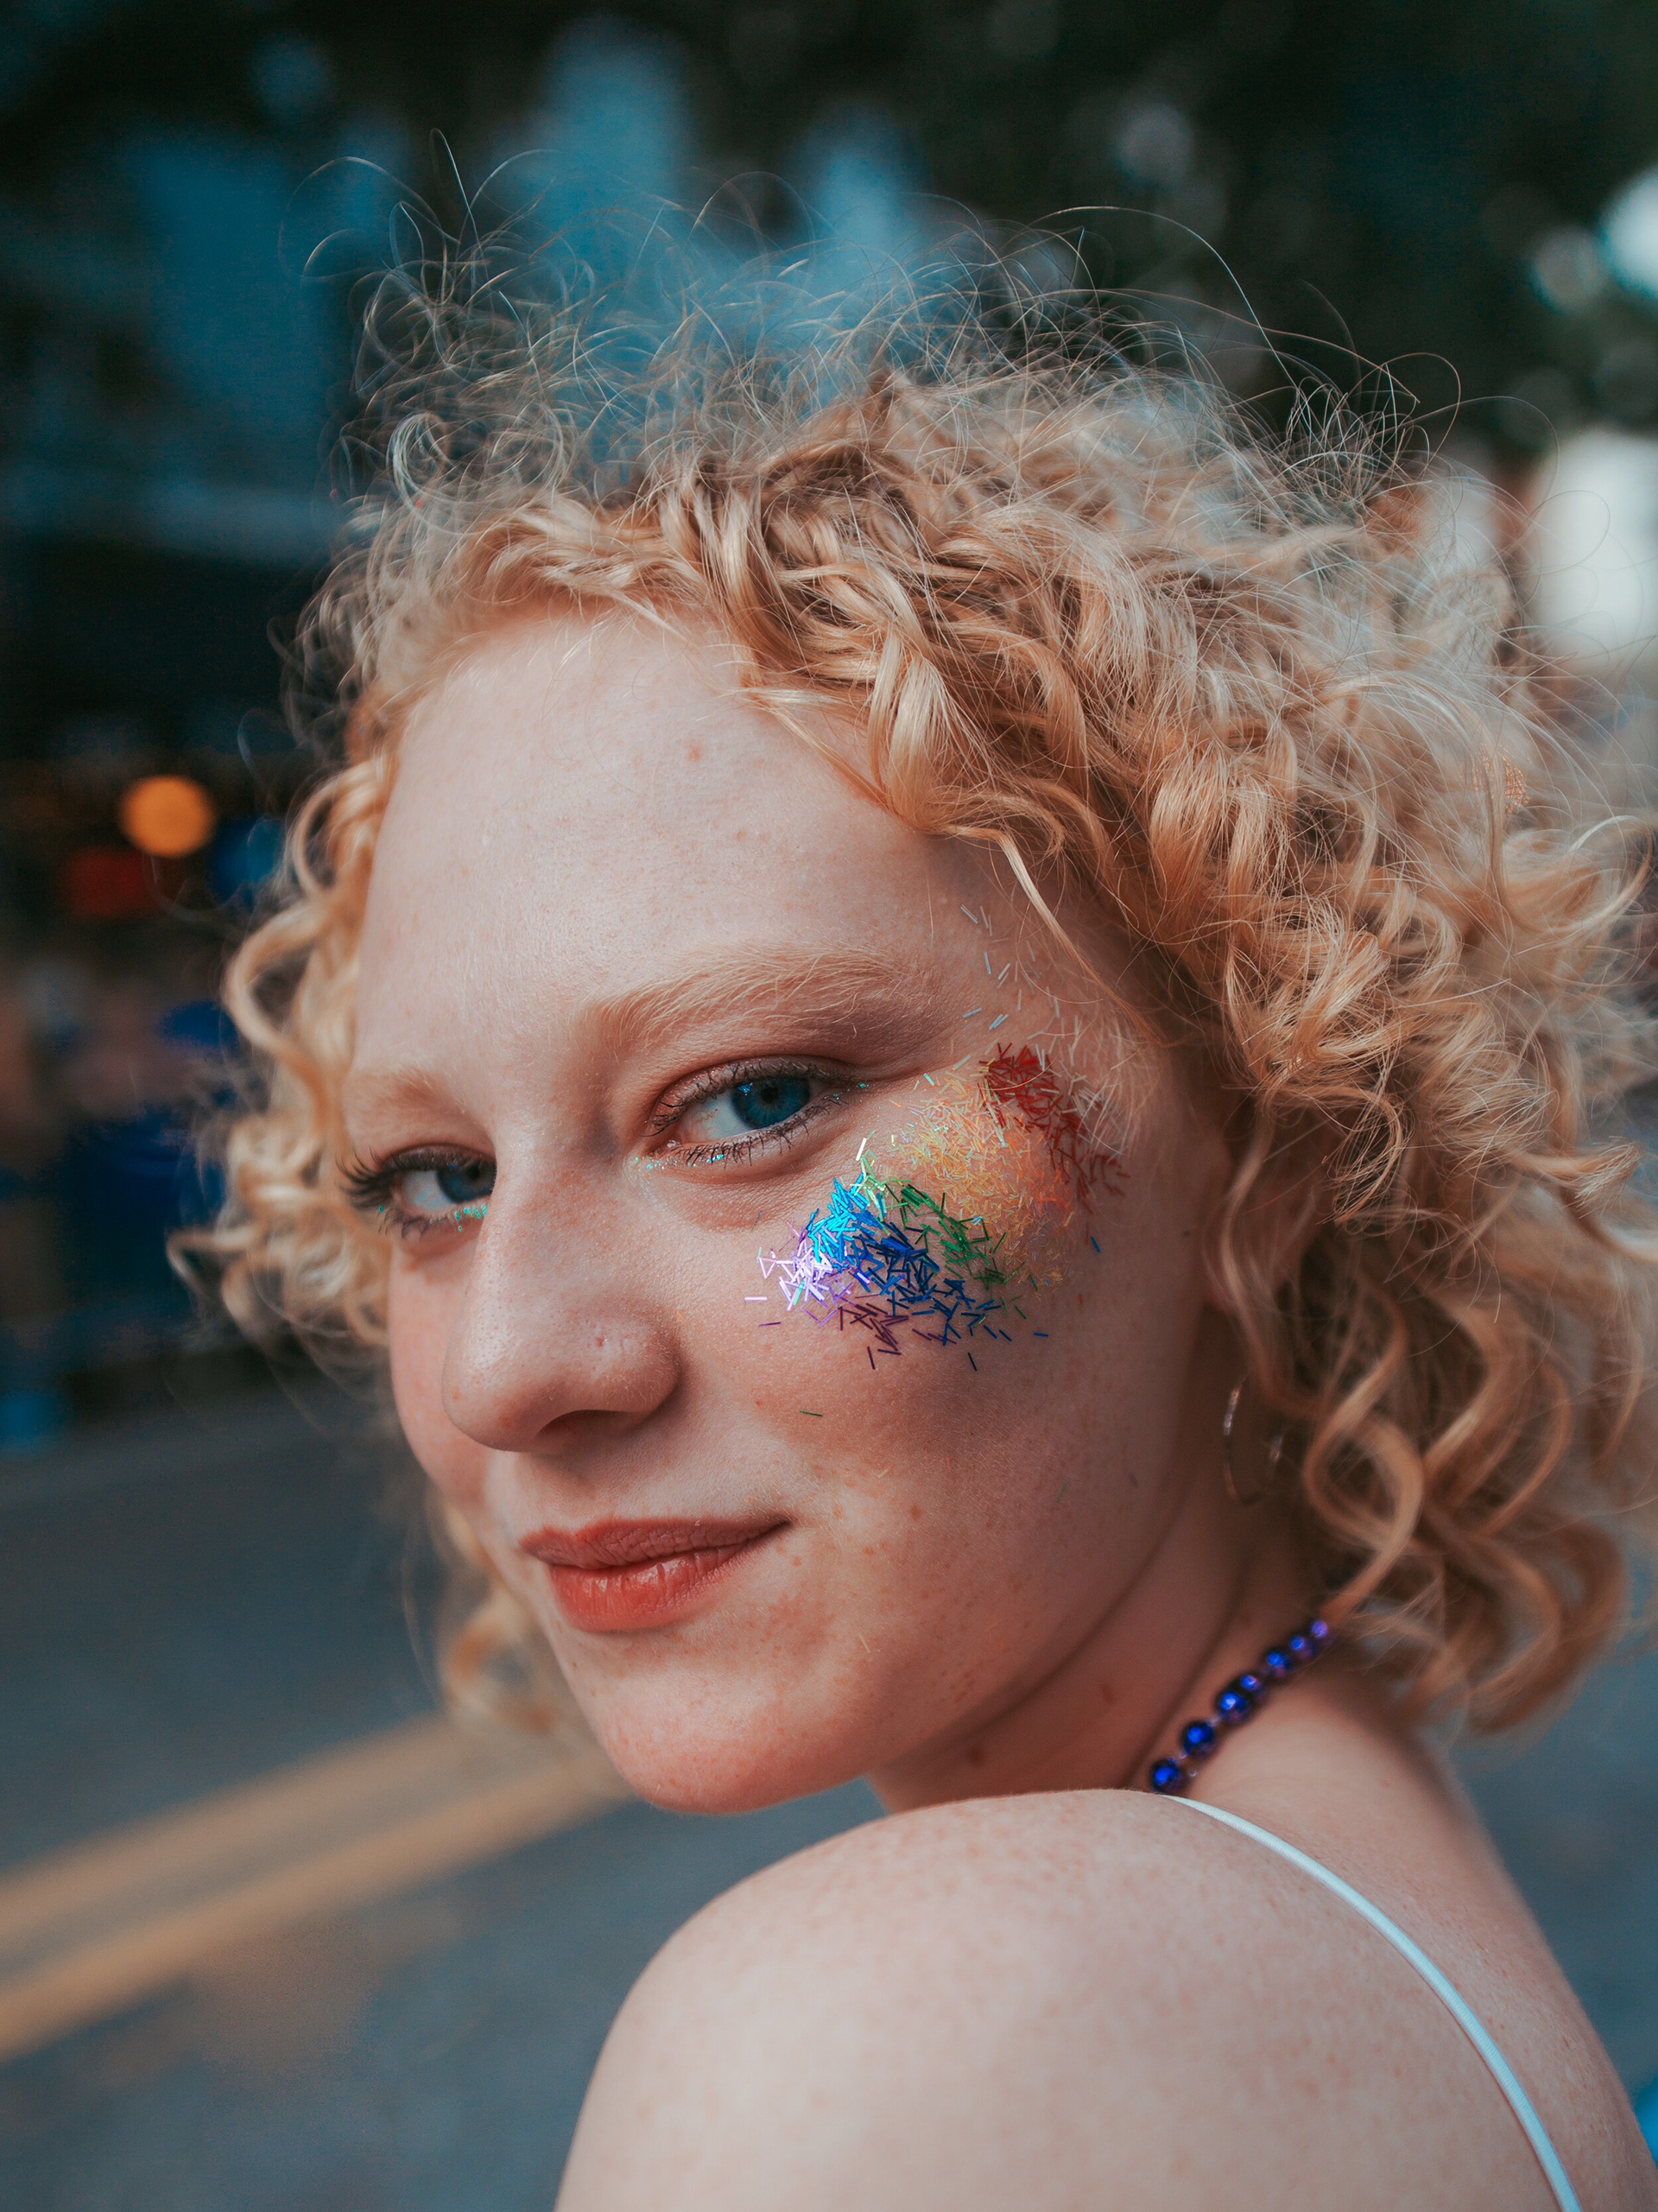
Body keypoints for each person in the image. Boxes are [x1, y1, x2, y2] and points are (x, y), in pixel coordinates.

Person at [191, 267, 1658, 2209]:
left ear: (1267, 1143)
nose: (508, 1367)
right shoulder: (1342, 1918)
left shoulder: (909, 2037)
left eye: (753, 1101)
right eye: (436, 1183)